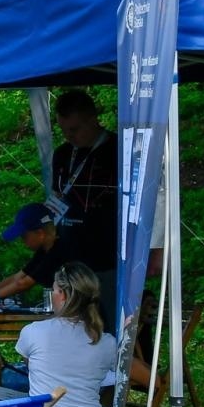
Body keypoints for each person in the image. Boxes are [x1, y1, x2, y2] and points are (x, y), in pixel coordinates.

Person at [15, 262, 117, 407]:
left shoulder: (34, 331)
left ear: (61, 294)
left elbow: (30, 366)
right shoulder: (106, 341)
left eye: (53, 289)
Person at [50, 89, 118, 327]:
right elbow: (56, 196)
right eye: (63, 130)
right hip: (71, 258)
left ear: (93, 119)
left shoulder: (117, 149)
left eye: (74, 129)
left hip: (107, 258)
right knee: (74, 326)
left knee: (108, 325)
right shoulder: (62, 154)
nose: (69, 136)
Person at [0, 203, 80, 313]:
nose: (22, 241)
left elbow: (23, 283)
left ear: (40, 233)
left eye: (24, 237)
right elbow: (18, 277)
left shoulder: (60, 251)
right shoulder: (46, 248)